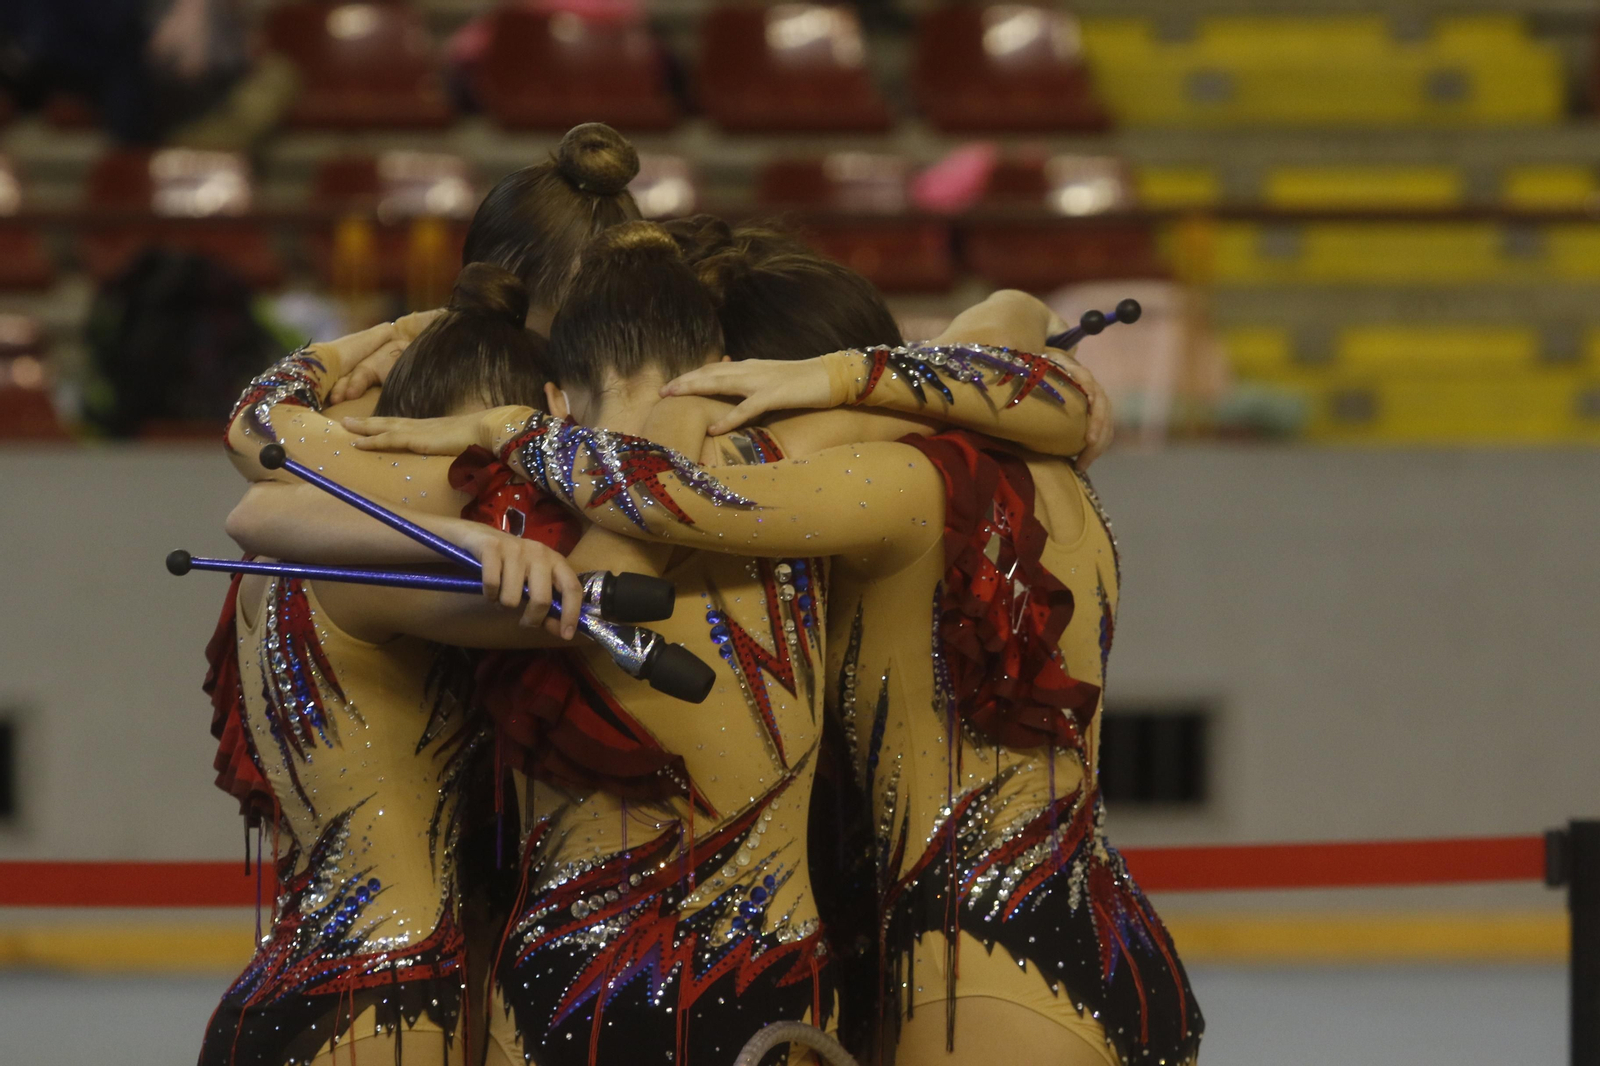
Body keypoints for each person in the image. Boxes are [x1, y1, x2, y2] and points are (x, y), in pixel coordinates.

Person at [341, 223, 1134, 1063]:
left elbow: (655, 501)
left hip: (939, 980)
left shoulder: (838, 486)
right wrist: (879, 375)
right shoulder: (1005, 447)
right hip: (1092, 937)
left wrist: (505, 417)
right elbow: (1009, 312)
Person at [201, 265, 601, 1066]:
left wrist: (372, 342)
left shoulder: (301, 551)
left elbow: (261, 432)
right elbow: (583, 615)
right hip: (387, 999)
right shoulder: (384, 577)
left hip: (289, 982)